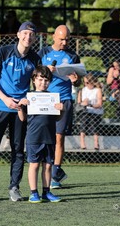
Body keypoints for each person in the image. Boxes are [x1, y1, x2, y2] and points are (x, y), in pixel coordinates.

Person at [0, 21, 41, 202]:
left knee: (18, 149)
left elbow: (39, 83)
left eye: (31, 34)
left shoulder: (35, 59)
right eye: (25, 33)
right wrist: (5, 99)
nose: (28, 37)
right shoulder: (3, 52)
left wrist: (29, 98)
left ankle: (14, 187)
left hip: (20, 108)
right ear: (18, 35)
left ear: (34, 38)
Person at [38, 25, 80, 189]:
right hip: (44, 99)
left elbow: (79, 80)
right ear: (53, 37)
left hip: (64, 100)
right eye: (61, 39)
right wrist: (44, 70)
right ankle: (49, 169)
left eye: (67, 39)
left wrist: (75, 80)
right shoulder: (43, 53)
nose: (64, 42)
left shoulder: (72, 56)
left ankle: (55, 174)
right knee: (44, 136)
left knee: (59, 137)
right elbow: (34, 74)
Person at [17, 65, 63, 203]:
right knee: (34, 164)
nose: (43, 83)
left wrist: (62, 109)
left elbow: (57, 118)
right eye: (40, 80)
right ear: (34, 80)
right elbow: (23, 118)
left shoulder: (52, 98)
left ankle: (46, 192)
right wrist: (20, 106)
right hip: (34, 137)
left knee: (48, 165)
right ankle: (33, 193)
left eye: (46, 80)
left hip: (49, 137)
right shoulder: (29, 97)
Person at [77, 73, 104, 150]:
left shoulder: (97, 90)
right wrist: (83, 103)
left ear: (92, 81)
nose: (86, 84)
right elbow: (79, 103)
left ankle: (96, 143)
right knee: (84, 119)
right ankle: (82, 142)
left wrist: (90, 104)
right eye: (85, 82)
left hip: (95, 111)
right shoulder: (82, 90)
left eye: (87, 82)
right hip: (84, 111)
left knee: (93, 122)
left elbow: (99, 104)